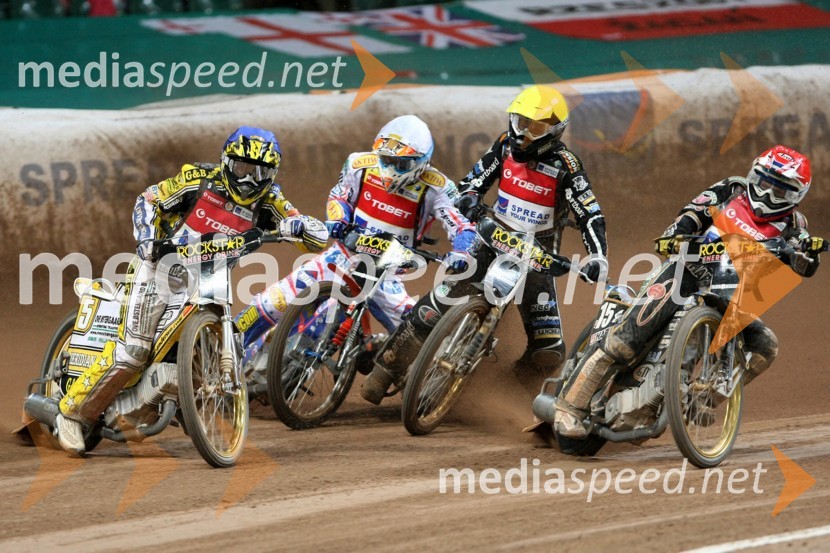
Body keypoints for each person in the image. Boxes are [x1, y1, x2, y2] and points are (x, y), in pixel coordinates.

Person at [55, 126, 328, 456]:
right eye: (243, 168)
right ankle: (71, 412)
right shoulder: (198, 179)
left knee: (215, 339)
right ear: (227, 162)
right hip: (162, 270)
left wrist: (301, 227)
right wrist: (146, 240)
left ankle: (184, 399)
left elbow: (309, 232)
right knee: (135, 351)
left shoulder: (269, 201)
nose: (251, 180)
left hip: (212, 277)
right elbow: (149, 200)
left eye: (261, 172)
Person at [553, 145, 824, 439]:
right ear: (751, 176)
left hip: (731, 294)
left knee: (765, 347)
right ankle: (569, 408)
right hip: (685, 273)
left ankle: (701, 398)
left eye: (780, 191)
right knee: (627, 339)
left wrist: (807, 254)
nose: (768, 195)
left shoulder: (794, 225)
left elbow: (804, 261)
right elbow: (690, 215)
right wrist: (679, 235)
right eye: (763, 183)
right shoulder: (731, 189)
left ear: (797, 196)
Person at [361, 85, 609, 403]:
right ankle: (385, 369)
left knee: (548, 351)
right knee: (436, 304)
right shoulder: (505, 146)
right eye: (519, 123)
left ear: (555, 130)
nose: (523, 135)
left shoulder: (567, 167)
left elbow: (591, 215)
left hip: (537, 258)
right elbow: (472, 181)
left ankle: (505, 387)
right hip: (490, 238)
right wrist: (468, 198)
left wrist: (598, 257)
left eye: (535, 128)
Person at [233, 115, 476, 383]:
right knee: (273, 300)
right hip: (344, 255)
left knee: (419, 332)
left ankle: (435, 378)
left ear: (421, 162)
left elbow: (461, 225)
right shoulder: (359, 164)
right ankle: (221, 352)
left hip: (389, 270)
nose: (391, 168)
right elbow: (340, 196)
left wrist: (462, 252)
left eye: (400, 163)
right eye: (387, 159)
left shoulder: (438, 187)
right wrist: (338, 222)